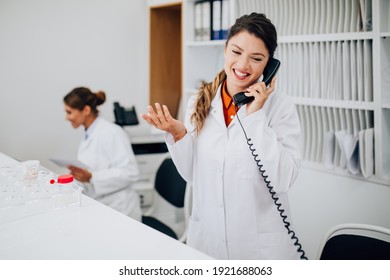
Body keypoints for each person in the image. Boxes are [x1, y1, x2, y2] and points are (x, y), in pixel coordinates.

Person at [141, 13, 302, 259]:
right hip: (209, 241)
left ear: (269, 65)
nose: (243, 66)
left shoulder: (280, 107)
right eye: (236, 52)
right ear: (225, 49)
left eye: (256, 58)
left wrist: (255, 116)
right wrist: (179, 134)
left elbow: (282, 179)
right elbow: (193, 175)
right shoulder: (200, 100)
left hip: (260, 251)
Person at [63, 87, 142, 222]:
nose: (66, 117)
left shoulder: (112, 132)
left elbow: (131, 172)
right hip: (101, 203)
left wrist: (92, 177)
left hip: (120, 209)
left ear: (86, 110)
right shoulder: (90, 133)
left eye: (69, 112)